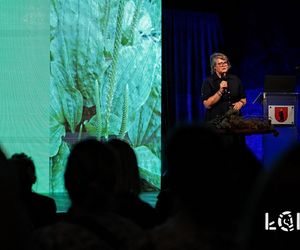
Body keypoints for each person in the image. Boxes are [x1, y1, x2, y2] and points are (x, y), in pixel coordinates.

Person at [201, 52, 247, 146]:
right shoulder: (208, 82)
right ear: (214, 67)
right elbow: (207, 104)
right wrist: (220, 91)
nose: (223, 65)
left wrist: (240, 103)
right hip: (216, 124)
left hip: (235, 122)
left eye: (225, 63)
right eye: (220, 63)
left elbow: (243, 99)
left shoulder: (235, 79)